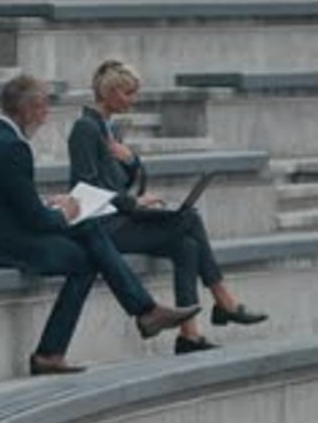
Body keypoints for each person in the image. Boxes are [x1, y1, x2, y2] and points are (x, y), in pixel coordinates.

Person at [0, 74, 200, 376]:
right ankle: (52, 352)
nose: (44, 119)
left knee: (89, 228)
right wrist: (64, 213)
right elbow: (34, 219)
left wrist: (52, 205)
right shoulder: (15, 149)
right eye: (43, 110)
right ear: (29, 109)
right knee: (85, 259)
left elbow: (1, 201)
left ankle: (145, 312)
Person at [68, 59, 268, 354]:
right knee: (189, 218)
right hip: (104, 226)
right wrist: (133, 202)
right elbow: (85, 188)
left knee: (186, 246)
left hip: (122, 217)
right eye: (127, 93)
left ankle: (190, 335)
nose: (132, 100)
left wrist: (131, 160)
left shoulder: (109, 130)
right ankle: (224, 300)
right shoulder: (85, 129)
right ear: (108, 92)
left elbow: (121, 180)